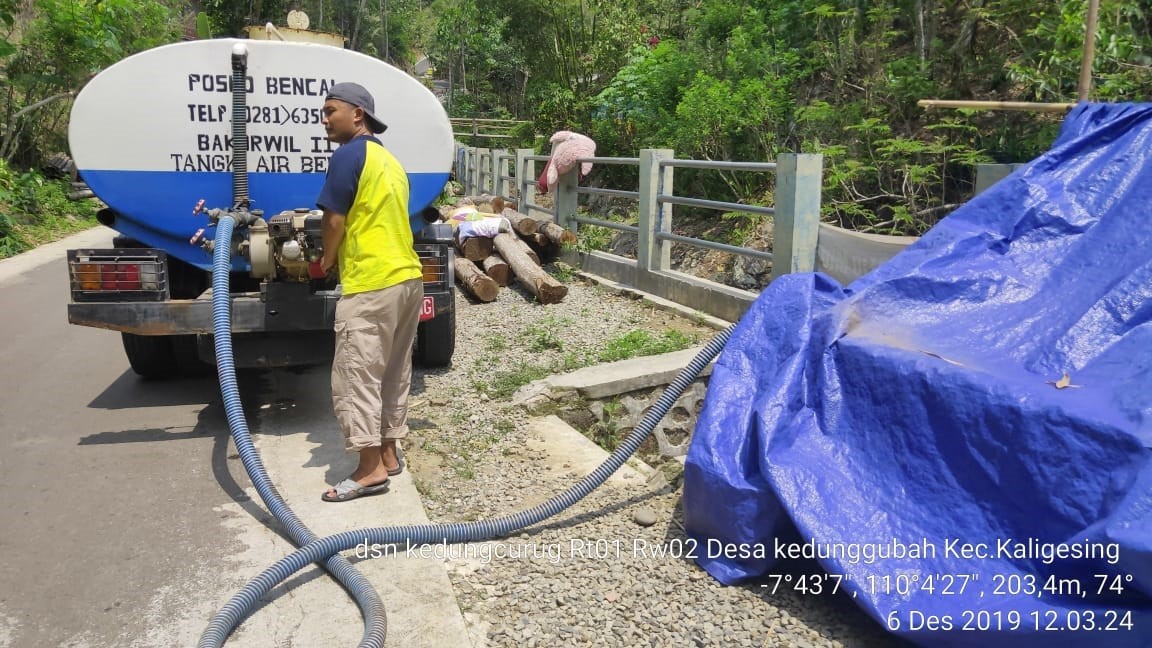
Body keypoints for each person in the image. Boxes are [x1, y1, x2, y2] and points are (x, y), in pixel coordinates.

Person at [315, 82, 424, 502]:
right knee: (393, 373)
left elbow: (335, 220)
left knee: (357, 375)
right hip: (406, 279)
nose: (325, 120)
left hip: (372, 283)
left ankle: (369, 470)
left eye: (330, 111)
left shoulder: (347, 155)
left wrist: (325, 261)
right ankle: (390, 453)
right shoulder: (388, 159)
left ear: (356, 114)